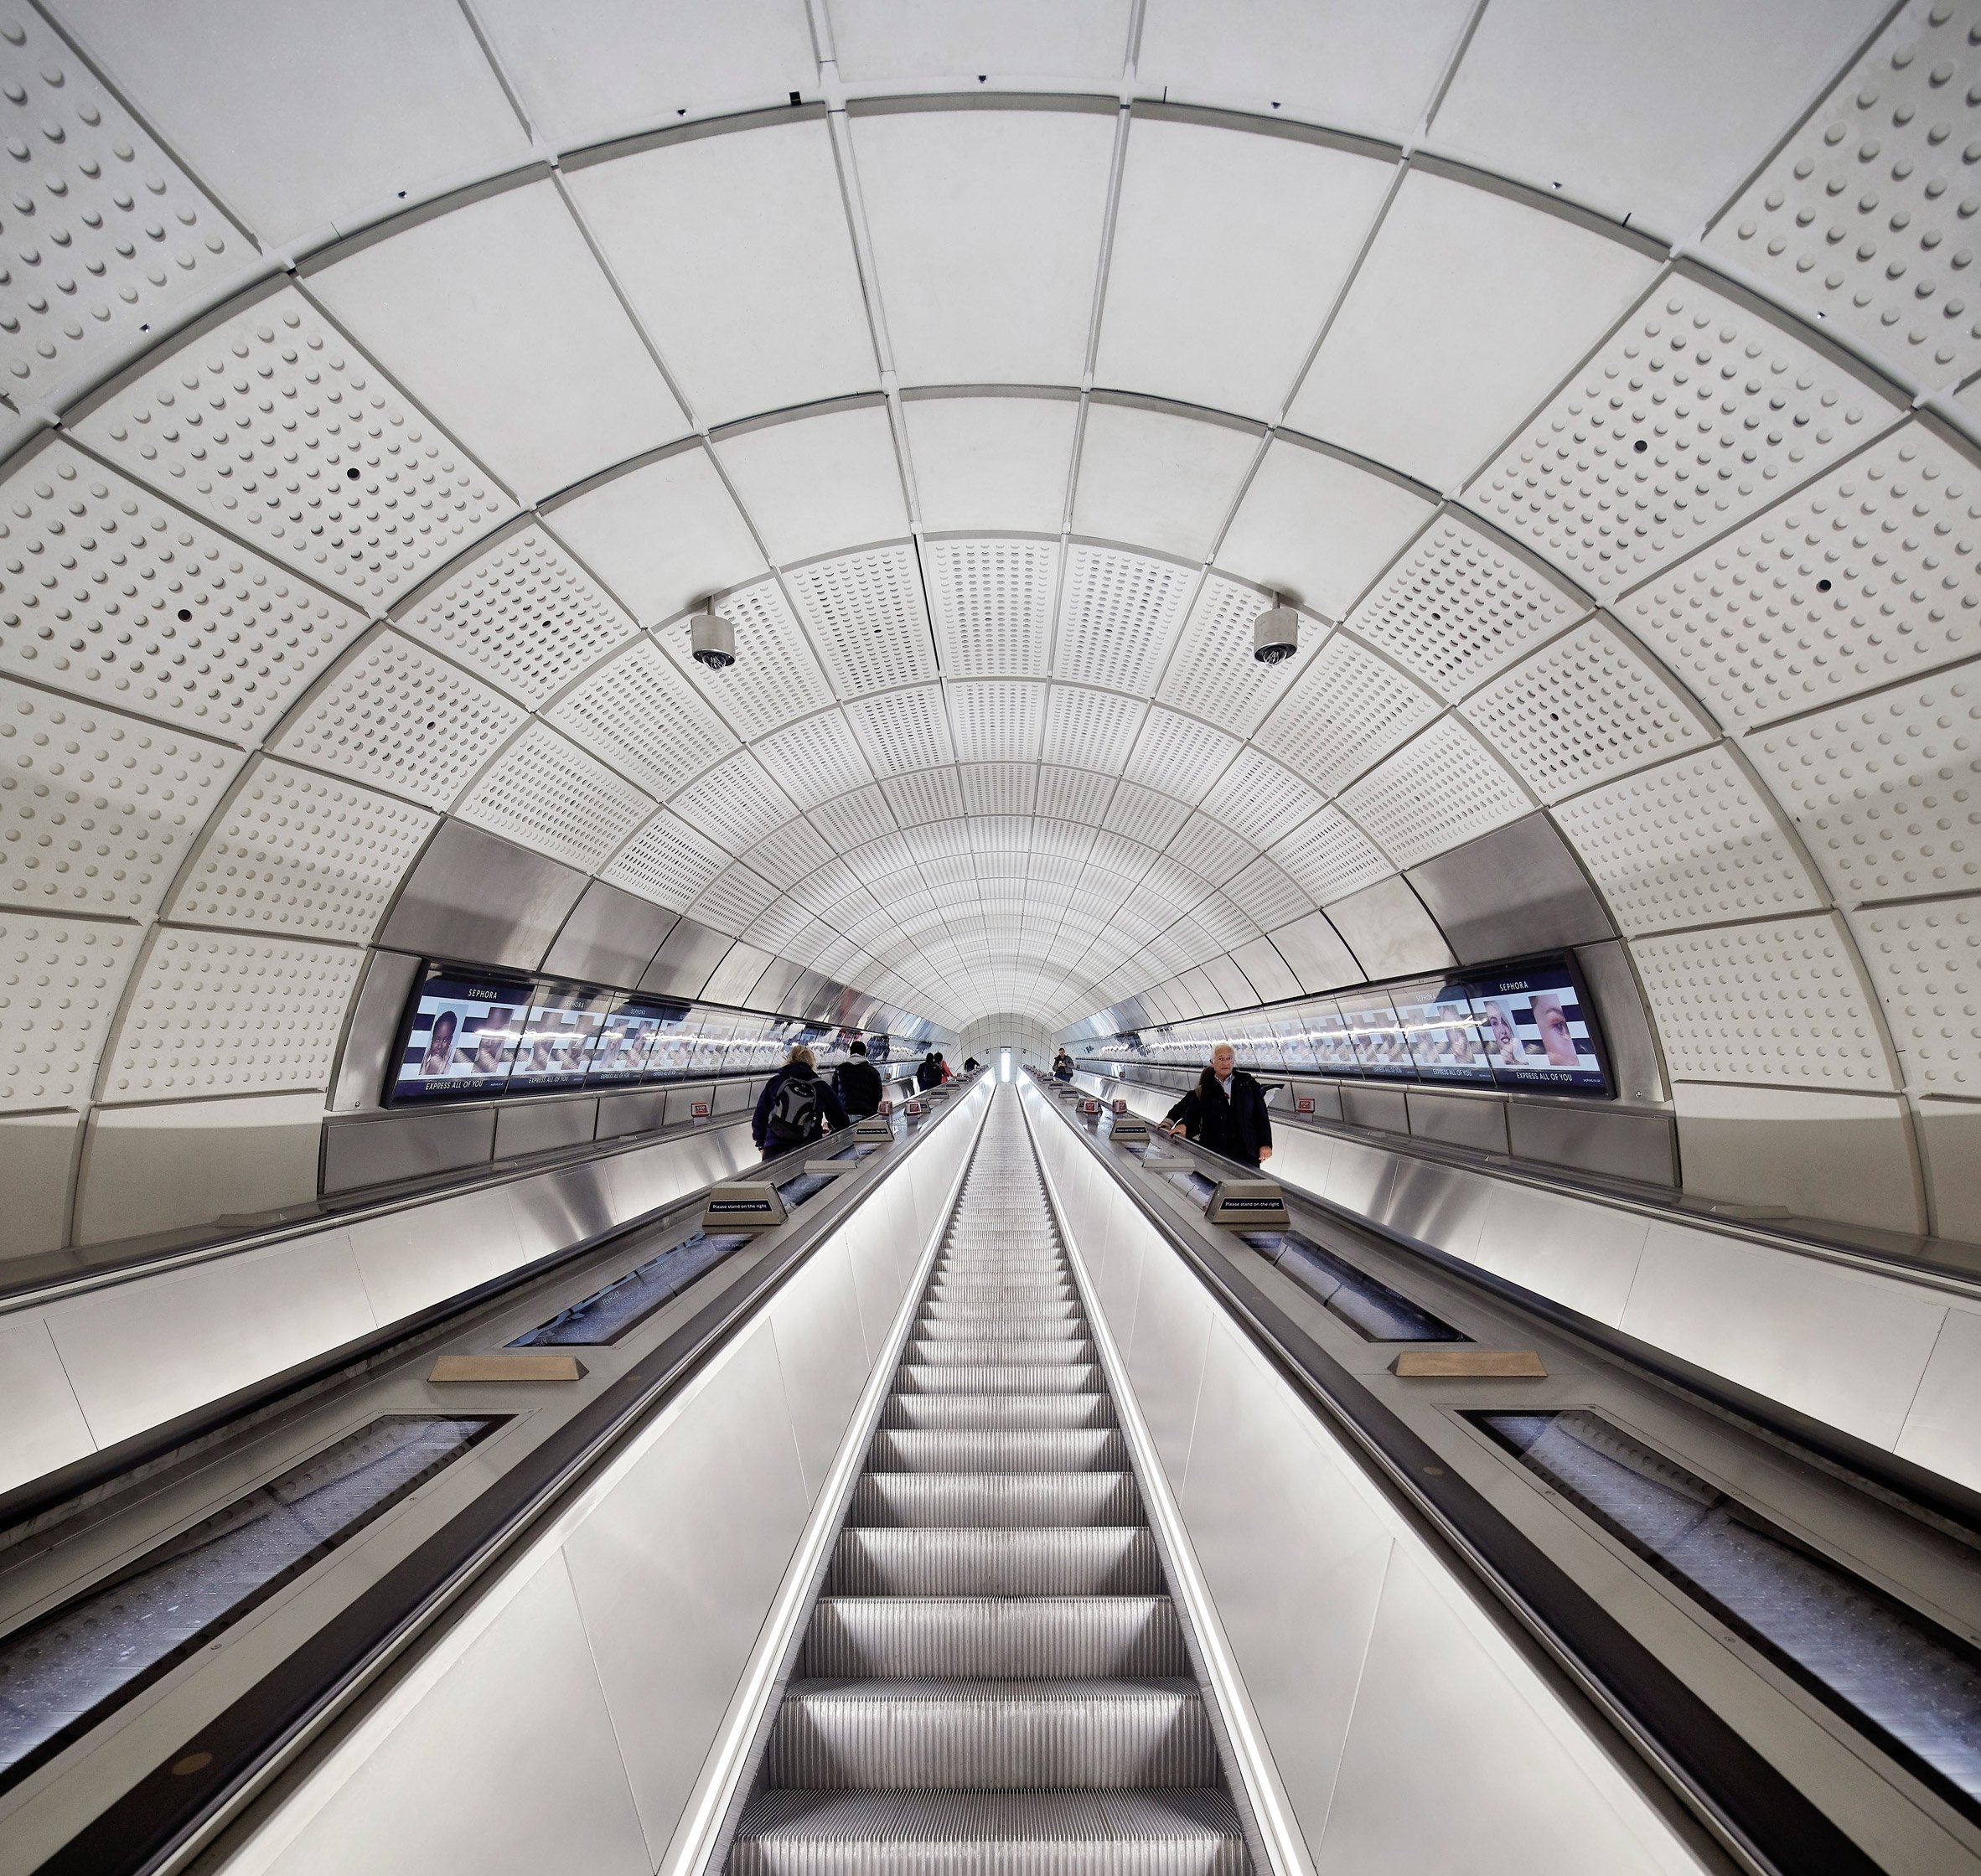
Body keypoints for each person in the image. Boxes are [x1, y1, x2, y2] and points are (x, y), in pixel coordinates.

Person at [1161, 1042, 1274, 1167]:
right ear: (1212, 1062)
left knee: (1247, 1184)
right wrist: (1183, 1126)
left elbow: (1261, 1115)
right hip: (1214, 1151)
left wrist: (1265, 1144)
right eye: (1221, 1059)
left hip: (1246, 1152)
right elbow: (1191, 1114)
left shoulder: (1248, 1083)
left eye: (1229, 1058)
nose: (1225, 1063)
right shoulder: (1205, 1089)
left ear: (1233, 1061)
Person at [753, 1042, 847, 1158]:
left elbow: (760, 1114)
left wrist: (761, 1144)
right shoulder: (821, 1086)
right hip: (808, 1148)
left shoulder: (776, 1082)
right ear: (812, 1062)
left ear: (790, 1059)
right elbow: (841, 1120)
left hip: (774, 1147)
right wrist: (829, 1127)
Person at [833, 1039, 883, 1120]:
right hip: (865, 1113)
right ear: (864, 1053)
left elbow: (833, 1093)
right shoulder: (872, 1071)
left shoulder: (840, 1069)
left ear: (850, 1052)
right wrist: (873, 1112)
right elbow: (878, 1095)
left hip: (843, 1114)